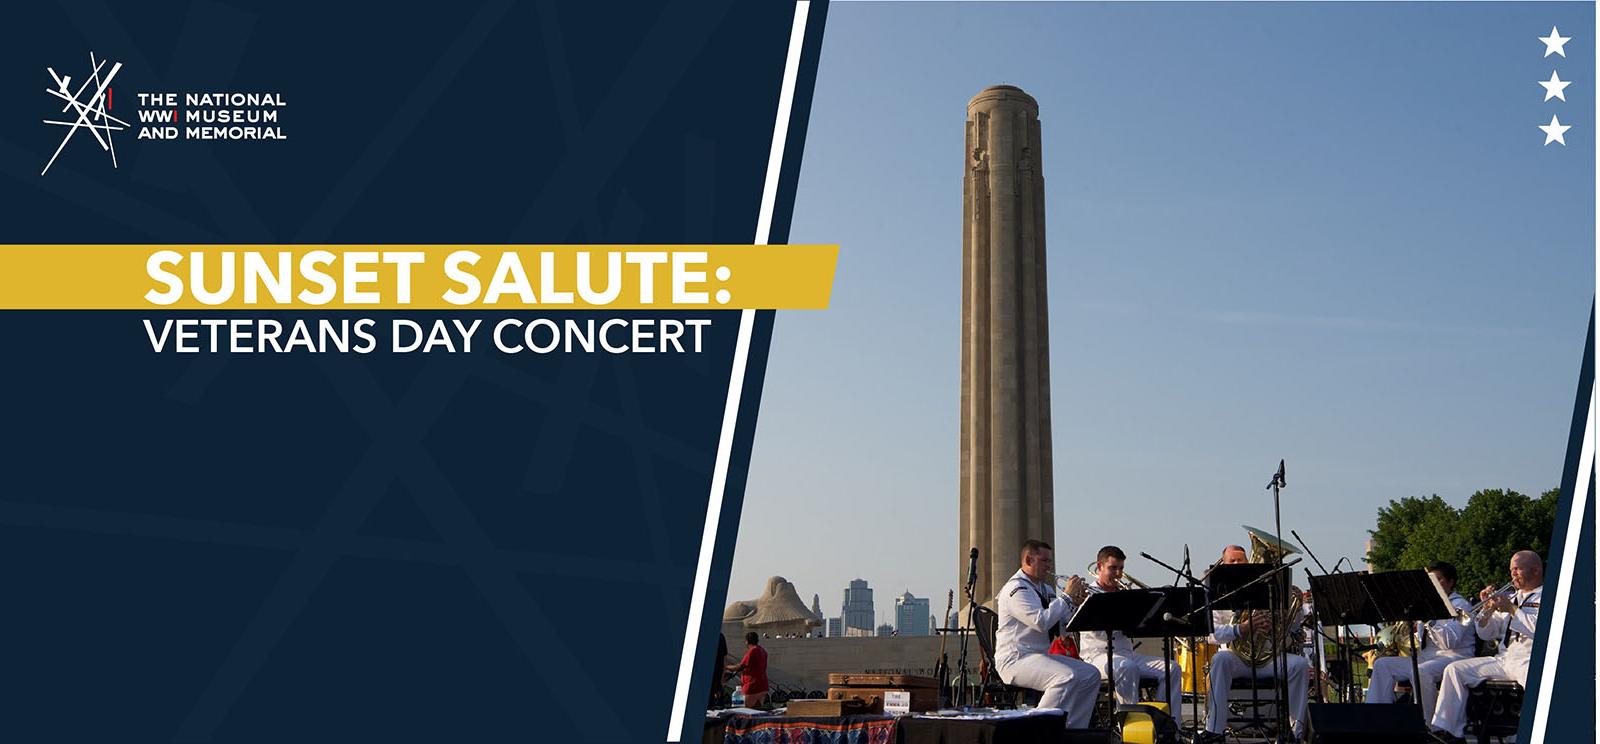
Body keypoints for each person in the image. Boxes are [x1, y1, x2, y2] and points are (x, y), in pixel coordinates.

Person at [1199, 544, 1310, 743]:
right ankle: (1214, 730)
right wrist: (1241, 629)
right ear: (1223, 564)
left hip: (1268, 658)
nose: (1235, 564)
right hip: (1236, 658)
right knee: (1219, 659)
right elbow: (1211, 635)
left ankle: (1295, 732)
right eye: (1231, 561)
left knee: (1299, 665)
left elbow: (1293, 627)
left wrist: (1290, 611)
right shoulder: (1216, 591)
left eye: (1240, 560)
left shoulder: (1269, 587)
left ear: (1248, 562)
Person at [1429, 551, 1544, 743]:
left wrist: (1512, 610)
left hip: (1529, 657)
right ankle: (1449, 731)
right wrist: (1486, 611)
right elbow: (1486, 634)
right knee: (1454, 670)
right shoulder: (1510, 597)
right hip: (1503, 658)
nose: (1513, 574)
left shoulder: (1548, 595)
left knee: (1538, 682)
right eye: (1511, 569)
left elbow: (1540, 629)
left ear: (1536, 570)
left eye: (1518, 569)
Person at [995, 539, 1102, 728]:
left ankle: (1073, 730)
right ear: (1028, 560)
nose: (1049, 566)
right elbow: (1040, 622)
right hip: (1015, 659)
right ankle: (1036, 729)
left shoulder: (1046, 589)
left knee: (1091, 674)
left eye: (1050, 561)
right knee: (1066, 676)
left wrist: (1077, 604)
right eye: (1044, 561)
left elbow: (1061, 627)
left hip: (1039, 656)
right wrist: (1067, 597)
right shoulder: (1016, 589)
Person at [1077, 545, 1182, 715]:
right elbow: (1096, 631)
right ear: (1099, 567)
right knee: (1127, 667)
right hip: (1097, 656)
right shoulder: (1088, 594)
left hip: (1127, 654)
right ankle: (1129, 724)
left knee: (1173, 669)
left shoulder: (1124, 594)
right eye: (1113, 568)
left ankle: (1164, 723)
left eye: (1121, 568)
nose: (1118, 574)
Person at [1363, 561, 1474, 720]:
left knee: (1422, 671)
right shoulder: (1428, 604)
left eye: (1439, 579)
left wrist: (1429, 620)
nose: (1433, 584)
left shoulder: (1461, 605)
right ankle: (1375, 719)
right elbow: (1421, 641)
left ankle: (1427, 724)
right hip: (1428, 656)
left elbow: (1450, 642)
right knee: (1382, 664)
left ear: (1451, 582)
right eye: (1430, 580)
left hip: (1454, 656)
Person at [727, 631, 769, 708]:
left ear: (746, 641)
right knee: (757, 711)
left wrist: (725, 667)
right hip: (763, 686)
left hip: (752, 687)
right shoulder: (763, 651)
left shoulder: (752, 651)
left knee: (746, 712)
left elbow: (740, 667)